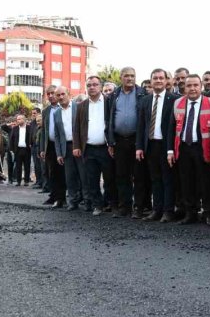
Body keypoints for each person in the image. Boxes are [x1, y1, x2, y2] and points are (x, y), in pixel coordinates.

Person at [167, 74, 210, 225]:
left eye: (196, 85)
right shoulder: (178, 103)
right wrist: (170, 150)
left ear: (201, 86)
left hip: (203, 148)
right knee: (186, 182)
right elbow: (171, 129)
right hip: (183, 148)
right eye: (189, 86)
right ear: (185, 87)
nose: (193, 88)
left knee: (206, 183)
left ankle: (209, 214)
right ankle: (191, 213)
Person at [136, 69, 178, 222]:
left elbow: (174, 127)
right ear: (151, 81)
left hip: (167, 147)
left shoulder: (174, 99)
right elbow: (141, 125)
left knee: (168, 179)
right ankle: (156, 210)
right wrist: (139, 147)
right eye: (155, 78)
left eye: (161, 78)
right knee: (155, 179)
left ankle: (168, 211)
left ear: (167, 81)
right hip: (150, 146)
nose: (158, 81)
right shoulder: (145, 101)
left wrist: (171, 149)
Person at [107, 67, 145, 218]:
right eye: (127, 76)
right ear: (121, 77)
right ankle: (125, 206)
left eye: (132, 76)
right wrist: (110, 141)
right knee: (122, 175)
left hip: (137, 141)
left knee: (139, 176)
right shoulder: (114, 95)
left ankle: (139, 208)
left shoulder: (142, 93)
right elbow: (108, 119)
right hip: (119, 141)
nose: (130, 78)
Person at [74, 76, 112, 215]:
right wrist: (76, 146)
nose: (92, 87)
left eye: (95, 84)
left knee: (109, 178)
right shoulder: (81, 106)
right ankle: (98, 205)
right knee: (92, 179)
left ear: (100, 87)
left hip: (106, 147)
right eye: (89, 85)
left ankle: (110, 204)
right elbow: (76, 127)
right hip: (88, 148)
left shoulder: (109, 102)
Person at [51, 86, 80, 209]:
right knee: (70, 177)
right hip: (66, 148)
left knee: (85, 175)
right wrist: (58, 154)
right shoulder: (56, 112)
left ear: (69, 94)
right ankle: (73, 202)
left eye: (63, 94)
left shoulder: (78, 107)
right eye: (58, 95)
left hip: (80, 145)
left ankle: (90, 202)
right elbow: (57, 135)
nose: (61, 97)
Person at [39, 85, 59, 195]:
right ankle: (54, 195)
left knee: (65, 172)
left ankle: (66, 196)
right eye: (48, 94)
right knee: (51, 172)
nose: (50, 96)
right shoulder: (46, 111)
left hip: (64, 145)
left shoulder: (64, 107)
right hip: (50, 146)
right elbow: (43, 131)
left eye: (52, 93)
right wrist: (42, 149)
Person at [9, 114, 33, 186]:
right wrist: (11, 149)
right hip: (18, 150)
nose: (17, 120)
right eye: (17, 119)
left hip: (27, 149)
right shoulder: (15, 128)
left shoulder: (29, 128)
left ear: (24, 119)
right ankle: (18, 181)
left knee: (27, 166)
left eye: (19, 119)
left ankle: (26, 181)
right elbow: (11, 139)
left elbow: (32, 137)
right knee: (18, 166)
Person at [30, 108, 45, 188]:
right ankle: (38, 181)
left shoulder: (42, 126)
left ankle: (42, 183)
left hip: (40, 148)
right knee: (36, 166)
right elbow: (32, 134)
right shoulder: (32, 123)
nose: (33, 115)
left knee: (41, 166)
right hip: (34, 147)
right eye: (32, 113)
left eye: (34, 113)